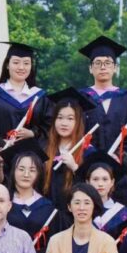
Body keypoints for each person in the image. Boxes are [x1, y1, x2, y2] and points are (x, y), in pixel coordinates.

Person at [78, 36, 127, 208]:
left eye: (107, 63)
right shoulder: (81, 98)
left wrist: (120, 158)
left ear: (115, 68)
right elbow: (73, 133)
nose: (103, 67)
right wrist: (88, 155)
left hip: (119, 171)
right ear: (90, 68)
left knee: (121, 217)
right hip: (88, 170)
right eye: (97, 63)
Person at [41, 87, 98, 222]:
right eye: (60, 118)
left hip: (75, 218)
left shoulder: (88, 152)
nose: (64, 123)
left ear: (78, 122)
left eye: (70, 118)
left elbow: (93, 189)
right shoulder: (45, 149)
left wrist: (74, 168)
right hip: (48, 217)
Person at [0, 42, 51, 162]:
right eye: (16, 62)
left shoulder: (40, 96)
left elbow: (50, 126)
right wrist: (0, 142)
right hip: (0, 157)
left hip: (30, 160)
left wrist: (33, 133)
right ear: (7, 65)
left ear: (31, 66)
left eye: (26, 63)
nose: (21, 67)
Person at [80, 155, 127, 243]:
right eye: (95, 179)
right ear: (88, 182)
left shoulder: (123, 214)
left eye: (105, 179)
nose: (100, 184)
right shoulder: (79, 210)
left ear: (112, 182)